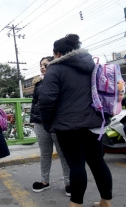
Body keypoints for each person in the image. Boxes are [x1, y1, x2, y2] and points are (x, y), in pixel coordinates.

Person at [39, 34, 112, 207]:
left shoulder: (55, 69)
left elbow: (47, 100)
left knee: (76, 165)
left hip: (68, 126)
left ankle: (75, 204)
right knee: (98, 162)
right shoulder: (93, 66)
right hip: (95, 123)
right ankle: (105, 202)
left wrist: (49, 124)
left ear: (57, 53)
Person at [30, 56, 71, 196]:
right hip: (40, 123)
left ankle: (68, 182)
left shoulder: (61, 79)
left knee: (63, 153)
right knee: (45, 153)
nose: (42, 67)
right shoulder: (38, 82)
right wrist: (33, 118)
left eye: (46, 65)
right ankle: (44, 181)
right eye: (41, 65)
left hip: (56, 122)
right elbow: (34, 102)